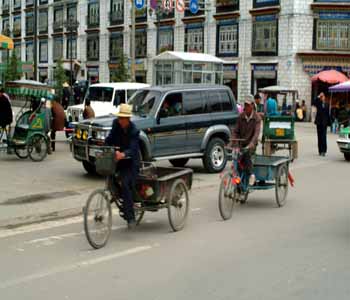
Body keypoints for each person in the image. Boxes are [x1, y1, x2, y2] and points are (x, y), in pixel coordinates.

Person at [105, 104, 140, 229]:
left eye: (122, 118)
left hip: (131, 163)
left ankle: (130, 217)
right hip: (117, 160)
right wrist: (102, 144)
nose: (120, 120)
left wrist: (124, 154)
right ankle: (121, 199)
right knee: (110, 178)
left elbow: (133, 149)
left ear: (128, 119)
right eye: (119, 117)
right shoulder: (116, 124)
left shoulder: (134, 131)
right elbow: (110, 139)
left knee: (125, 184)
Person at [232, 95, 262, 186]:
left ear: (252, 105)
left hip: (251, 145)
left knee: (246, 154)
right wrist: (234, 142)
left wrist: (251, 144)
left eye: (248, 105)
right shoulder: (240, 117)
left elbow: (256, 134)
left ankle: (251, 174)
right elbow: (235, 131)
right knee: (236, 158)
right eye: (245, 105)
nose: (246, 107)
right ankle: (237, 182)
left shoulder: (257, 118)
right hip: (241, 143)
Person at [313, 92, 331, 156]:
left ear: (324, 97)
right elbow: (314, 102)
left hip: (324, 123)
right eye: (321, 96)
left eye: (323, 96)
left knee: (324, 136)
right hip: (319, 122)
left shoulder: (327, 104)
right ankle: (320, 151)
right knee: (319, 137)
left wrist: (329, 123)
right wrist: (318, 96)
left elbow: (328, 114)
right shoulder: (318, 103)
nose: (322, 97)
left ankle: (324, 151)